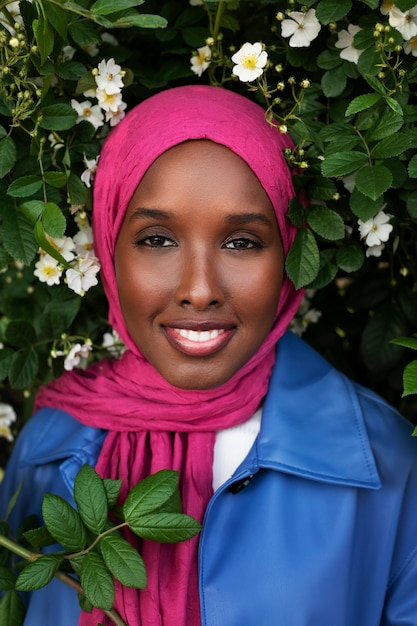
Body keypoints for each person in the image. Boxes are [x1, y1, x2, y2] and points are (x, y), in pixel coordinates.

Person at [1, 84, 417, 626]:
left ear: (290, 250)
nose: (199, 289)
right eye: (157, 239)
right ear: (108, 248)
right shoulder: (48, 450)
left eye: (242, 242)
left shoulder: (384, 465)